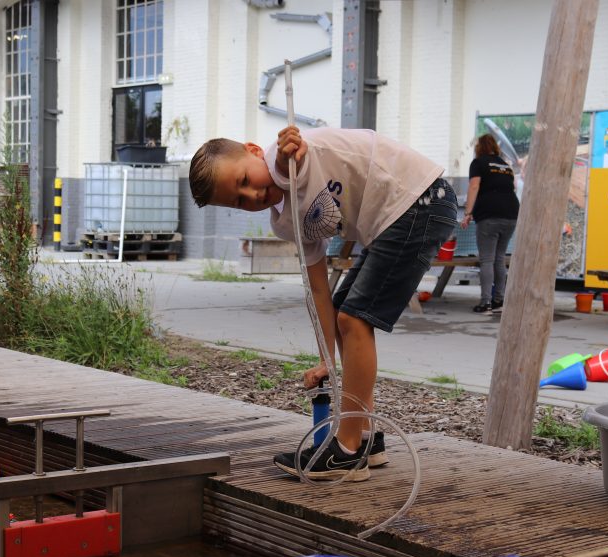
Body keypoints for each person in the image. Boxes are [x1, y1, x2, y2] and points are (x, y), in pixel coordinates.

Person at [189, 126, 457, 481]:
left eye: (243, 179)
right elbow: (318, 290)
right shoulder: (288, 222)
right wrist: (325, 359)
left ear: (255, 151)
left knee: (354, 319)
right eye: (239, 200)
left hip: (422, 200)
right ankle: (364, 438)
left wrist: (286, 155)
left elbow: (288, 166)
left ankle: (346, 452)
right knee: (345, 310)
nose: (252, 194)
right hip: (395, 217)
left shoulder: (287, 156)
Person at [461, 133, 520, 315]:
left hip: (489, 215)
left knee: (487, 259)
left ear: (479, 148)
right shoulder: (505, 166)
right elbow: (513, 188)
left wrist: (468, 212)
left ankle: (485, 302)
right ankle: (499, 300)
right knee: (499, 258)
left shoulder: (478, 163)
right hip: (511, 213)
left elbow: (474, 186)